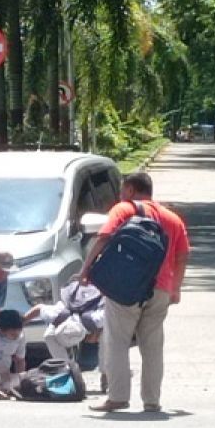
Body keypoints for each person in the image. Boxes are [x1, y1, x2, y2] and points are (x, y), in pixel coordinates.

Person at [80, 171, 190, 413]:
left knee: (117, 341)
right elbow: (182, 257)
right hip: (160, 288)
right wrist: (176, 288)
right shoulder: (173, 219)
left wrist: (86, 270)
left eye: (122, 190)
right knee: (152, 346)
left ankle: (118, 397)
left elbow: (103, 238)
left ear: (130, 190)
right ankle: (152, 401)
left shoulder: (123, 209)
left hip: (124, 287)